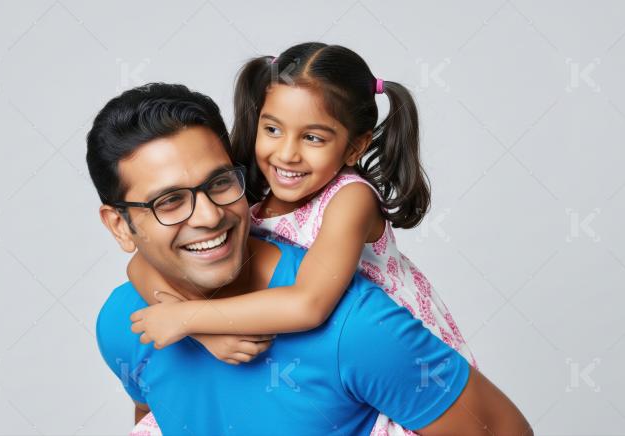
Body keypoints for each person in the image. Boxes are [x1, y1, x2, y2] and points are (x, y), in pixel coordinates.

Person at [86, 82, 532, 435]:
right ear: (120, 226)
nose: (208, 216)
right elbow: (161, 412)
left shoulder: (354, 330)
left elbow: (506, 432)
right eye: (169, 201)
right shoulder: (123, 324)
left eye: (220, 183)